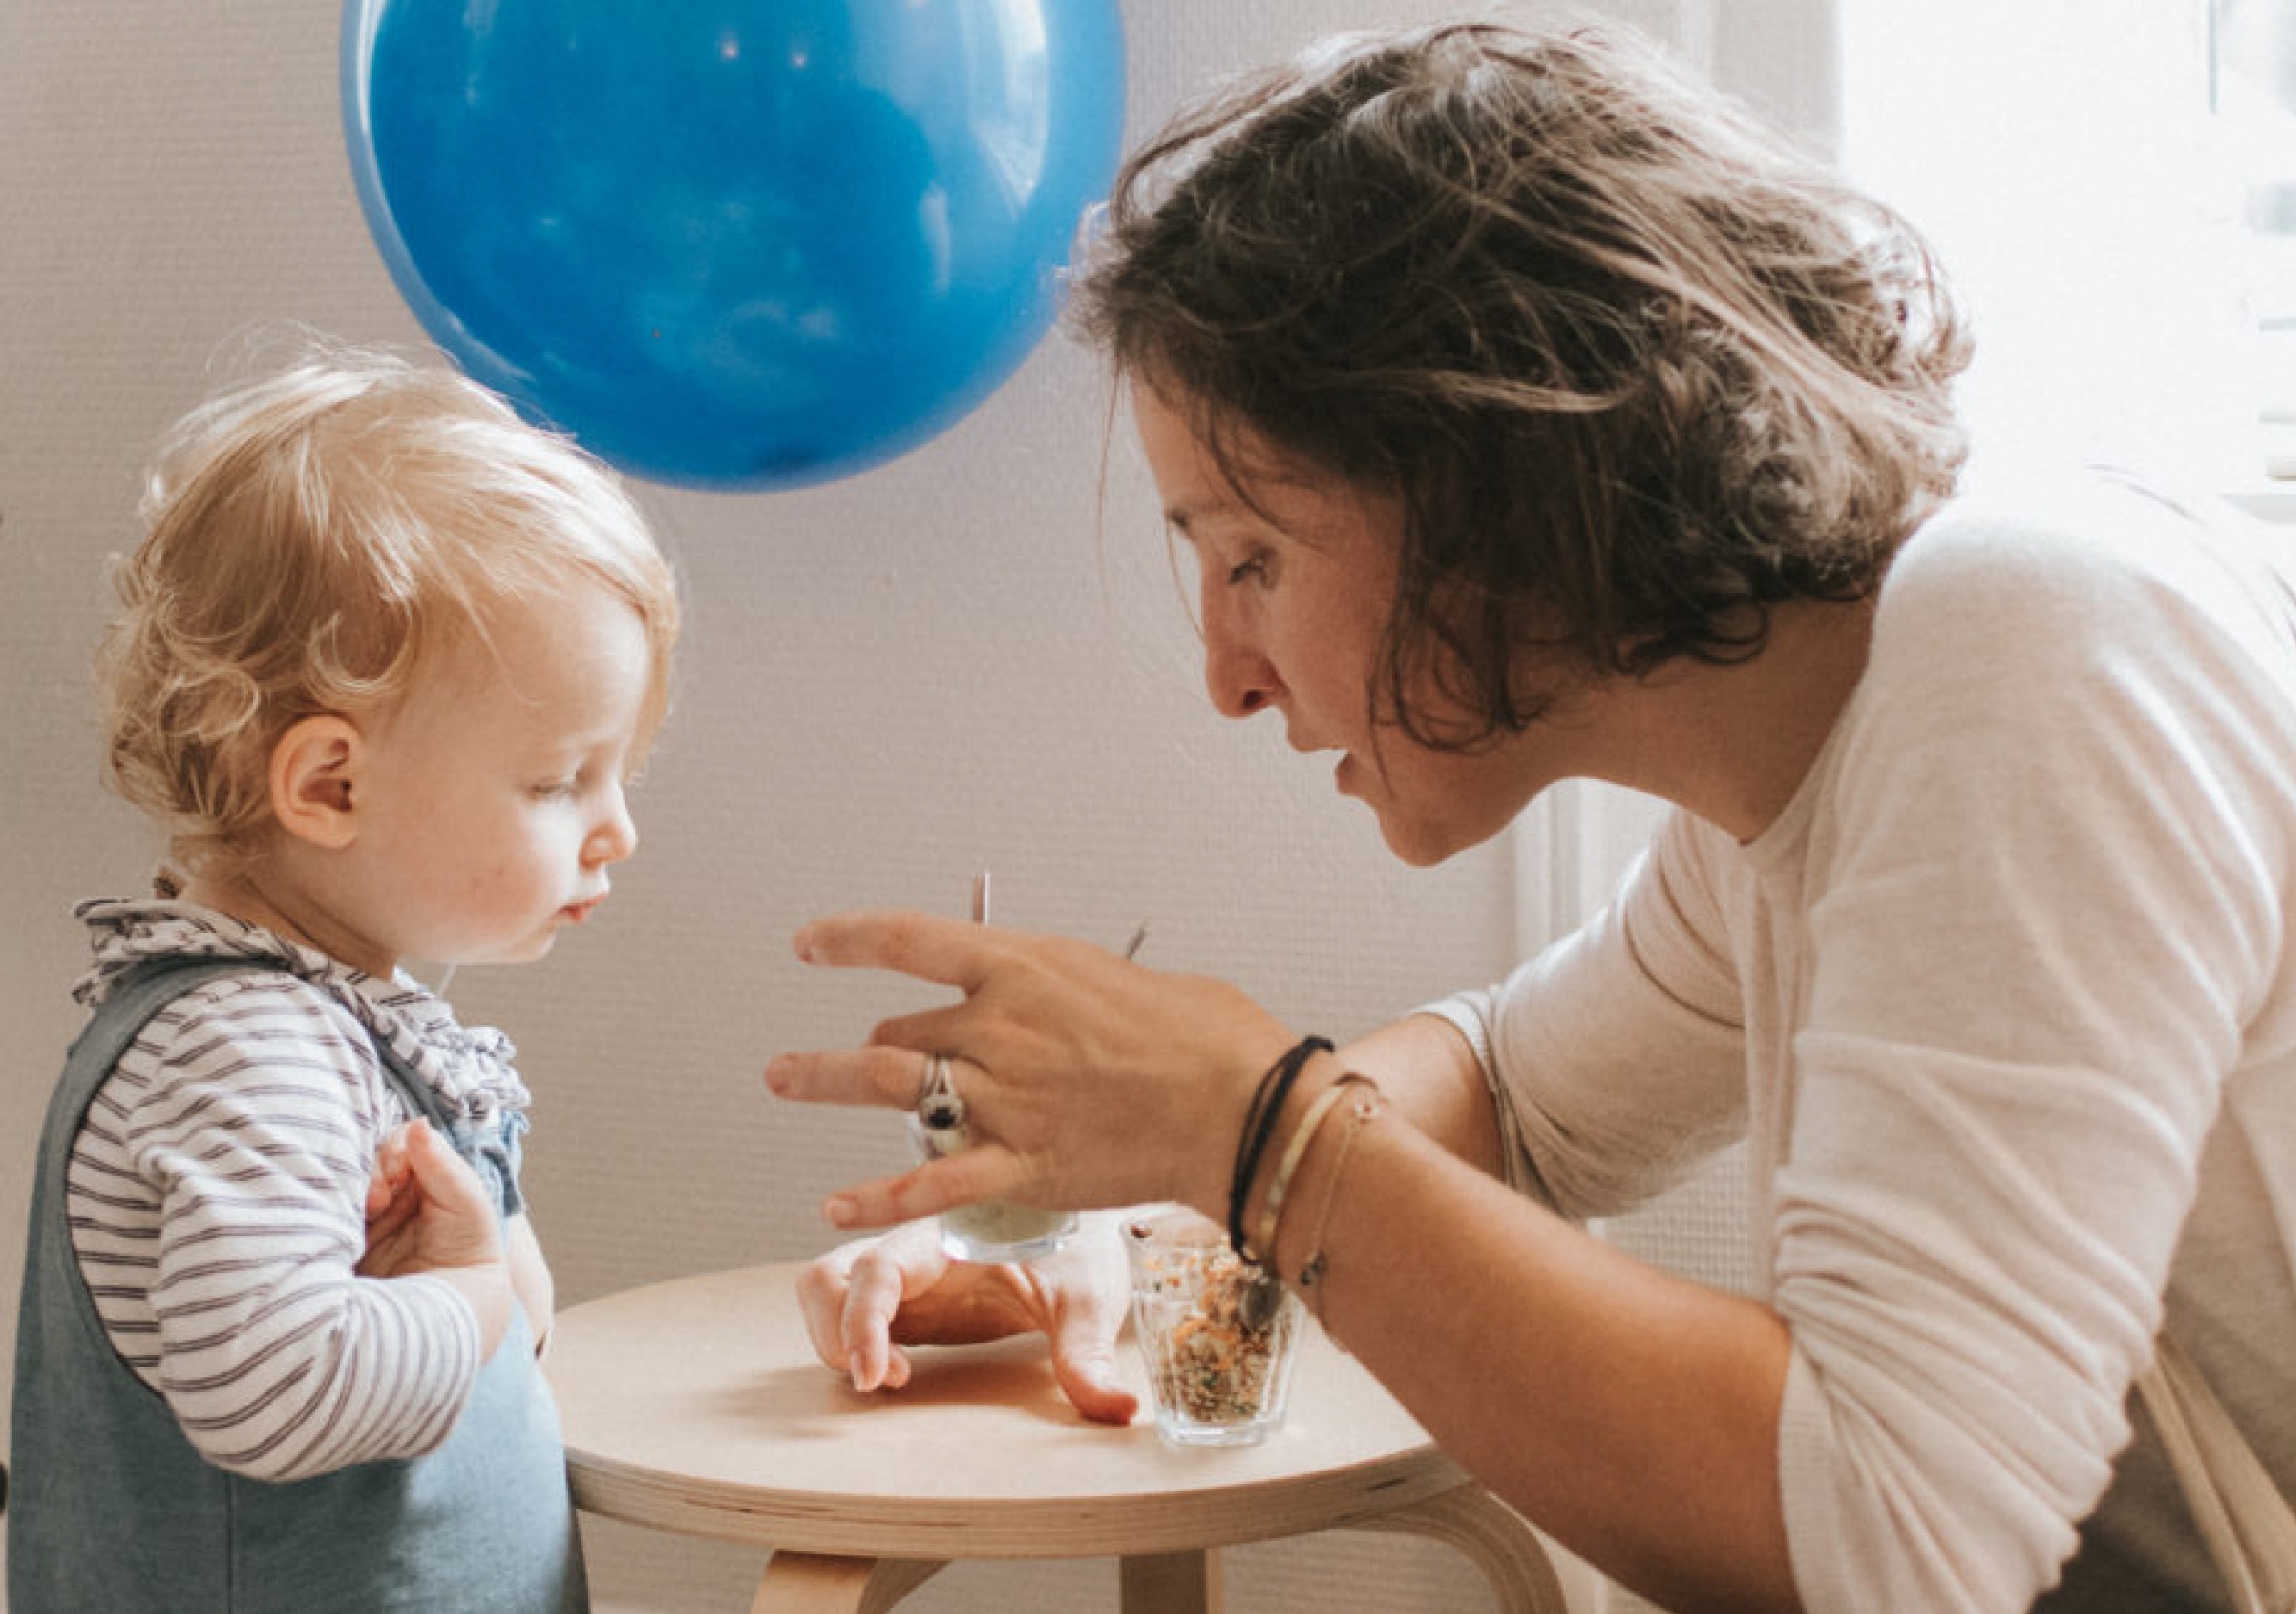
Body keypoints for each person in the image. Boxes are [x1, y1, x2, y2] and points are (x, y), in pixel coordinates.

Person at [764, 17, 2296, 1614]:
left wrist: (1258, 1128)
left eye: (1250, 560)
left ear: (1493, 476)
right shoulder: (1811, 764)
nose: (1227, 675)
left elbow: (1893, 1543)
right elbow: (1508, 1093)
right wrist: (1124, 1206)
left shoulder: (2028, 645)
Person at [10, 343, 681, 1614]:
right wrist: (475, 1291)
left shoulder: (327, 1024)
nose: (616, 831)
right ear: (330, 785)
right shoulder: (244, 1050)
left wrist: (490, 1278)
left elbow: (496, 1343)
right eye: (557, 781)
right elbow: (277, 1391)